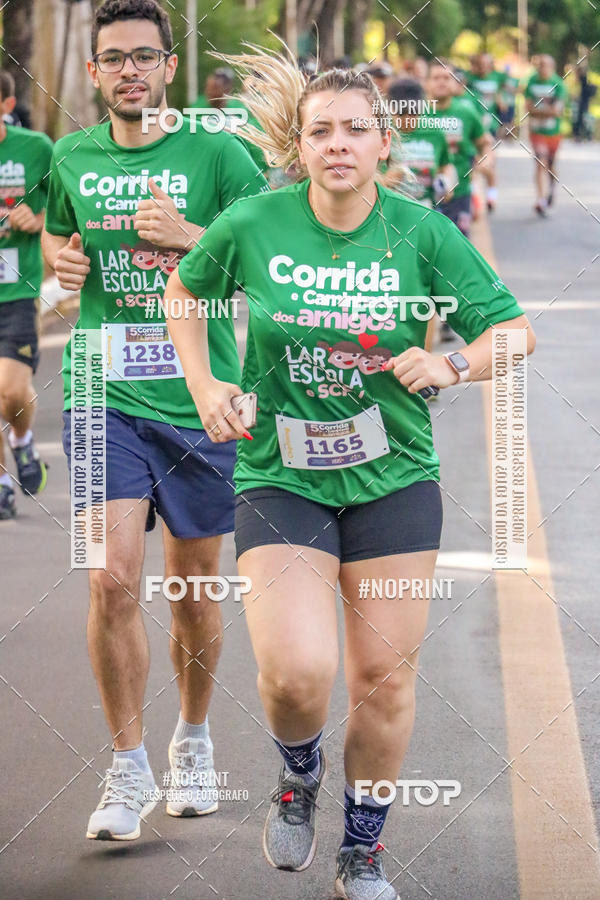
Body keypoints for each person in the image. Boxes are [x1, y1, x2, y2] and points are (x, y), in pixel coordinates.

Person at [163, 49, 536, 899]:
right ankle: (299, 772)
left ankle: (361, 850)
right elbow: (185, 293)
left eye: (354, 131)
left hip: (394, 476)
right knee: (297, 671)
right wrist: (207, 383)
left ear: (380, 145)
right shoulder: (255, 224)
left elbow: (513, 331)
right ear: (299, 144)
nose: (338, 144)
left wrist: (450, 364)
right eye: (321, 130)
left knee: (383, 678)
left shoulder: (423, 231)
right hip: (280, 474)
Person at [41, 0, 268, 842]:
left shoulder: (219, 154)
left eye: (145, 55)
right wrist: (60, 265)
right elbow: (62, 255)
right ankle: (127, 764)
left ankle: (195, 740)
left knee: (194, 593)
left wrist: (192, 234)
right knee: (110, 577)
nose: (129, 69)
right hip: (103, 387)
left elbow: (271, 266)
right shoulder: (71, 155)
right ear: (95, 73)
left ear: (170, 67)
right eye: (113, 58)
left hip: (202, 394)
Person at [0, 69, 53, 520]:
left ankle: (22, 440)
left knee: (11, 391)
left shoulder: (37, 150)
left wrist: (36, 220)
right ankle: (2, 484)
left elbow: (65, 207)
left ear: (6, 106)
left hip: (17, 291)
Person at [426, 59, 492, 240]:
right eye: (436, 78)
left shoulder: (466, 112)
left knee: (458, 246)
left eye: (447, 78)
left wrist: (486, 160)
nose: (441, 82)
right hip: (423, 196)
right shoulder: (415, 114)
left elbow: (484, 142)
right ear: (427, 83)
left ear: (455, 83)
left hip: (459, 193)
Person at [383, 78, 456, 210]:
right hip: (388, 210)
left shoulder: (434, 131)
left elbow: (446, 165)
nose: (408, 120)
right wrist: (385, 181)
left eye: (413, 113)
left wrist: (447, 182)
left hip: (426, 208)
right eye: (401, 114)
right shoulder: (379, 132)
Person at [524, 55, 568, 217]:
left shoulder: (559, 83)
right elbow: (528, 107)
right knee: (540, 162)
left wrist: (538, 112)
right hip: (537, 132)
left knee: (551, 166)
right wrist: (545, 112)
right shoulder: (531, 82)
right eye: (540, 65)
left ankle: (551, 188)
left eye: (546, 66)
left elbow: (557, 110)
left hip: (554, 133)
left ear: (552, 67)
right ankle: (540, 201)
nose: (543, 68)